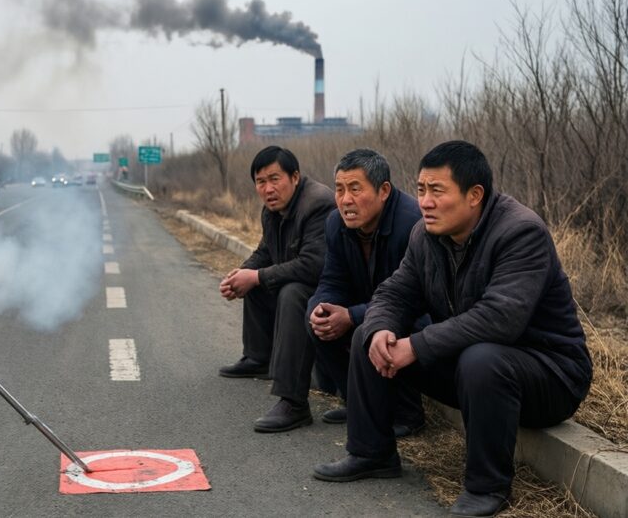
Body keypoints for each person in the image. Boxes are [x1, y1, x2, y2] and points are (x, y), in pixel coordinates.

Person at [313, 141, 592, 517]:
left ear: (474, 195)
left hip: (549, 376)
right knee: (369, 333)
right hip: (472, 372)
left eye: (437, 191)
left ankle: (487, 488)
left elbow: (499, 319)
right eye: (421, 189)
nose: (424, 202)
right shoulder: (425, 236)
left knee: (483, 357)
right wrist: (381, 328)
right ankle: (371, 453)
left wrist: (417, 345)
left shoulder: (520, 232)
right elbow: (394, 293)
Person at [306, 149, 425, 437]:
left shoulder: (412, 225)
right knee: (316, 314)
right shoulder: (336, 223)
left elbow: (413, 298)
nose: (346, 200)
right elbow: (332, 278)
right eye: (340, 189)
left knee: (389, 329)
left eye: (355, 189)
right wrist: (323, 307)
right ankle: (357, 401)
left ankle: (408, 414)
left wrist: (352, 315)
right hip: (370, 305)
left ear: (384, 190)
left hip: (415, 314)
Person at [219, 145, 335, 432]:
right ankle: (259, 358)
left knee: (290, 291)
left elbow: (314, 265)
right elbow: (265, 252)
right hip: (307, 284)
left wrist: (256, 276)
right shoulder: (272, 210)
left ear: (294, 177)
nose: (268, 188)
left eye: (275, 179)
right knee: (259, 278)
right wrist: (241, 275)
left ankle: (293, 402)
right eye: (261, 182)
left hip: (332, 292)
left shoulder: (319, 204)